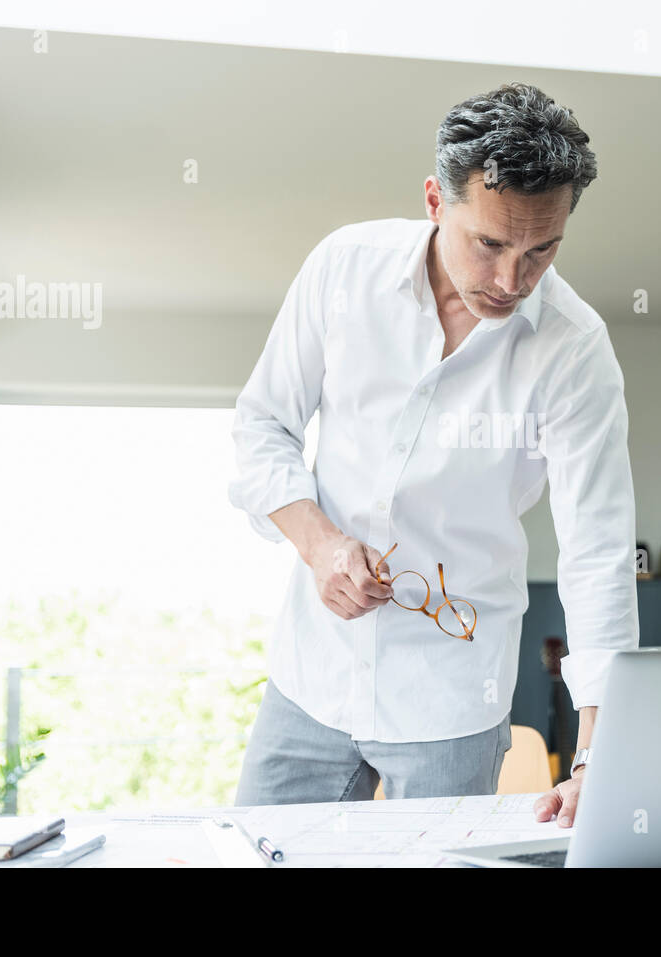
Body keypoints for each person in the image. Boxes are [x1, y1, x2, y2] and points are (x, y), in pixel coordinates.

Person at [229, 82, 637, 829]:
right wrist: (319, 547)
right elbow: (261, 429)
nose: (512, 281)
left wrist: (593, 758)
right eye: (489, 244)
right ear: (433, 200)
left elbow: (598, 554)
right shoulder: (342, 269)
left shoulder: (575, 351)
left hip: (454, 691)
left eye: (541, 250)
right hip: (312, 673)